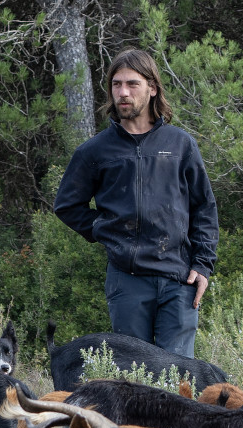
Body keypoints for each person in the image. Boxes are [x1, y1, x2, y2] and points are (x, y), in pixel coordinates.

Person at [52, 48, 218, 357]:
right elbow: (66, 205)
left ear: (152, 88)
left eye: (132, 84)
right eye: (116, 84)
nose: (123, 92)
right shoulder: (95, 151)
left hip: (178, 277)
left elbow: (203, 208)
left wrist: (203, 264)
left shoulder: (180, 144)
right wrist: (105, 229)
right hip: (126, 280)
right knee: (134, 373)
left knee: (178, 373)